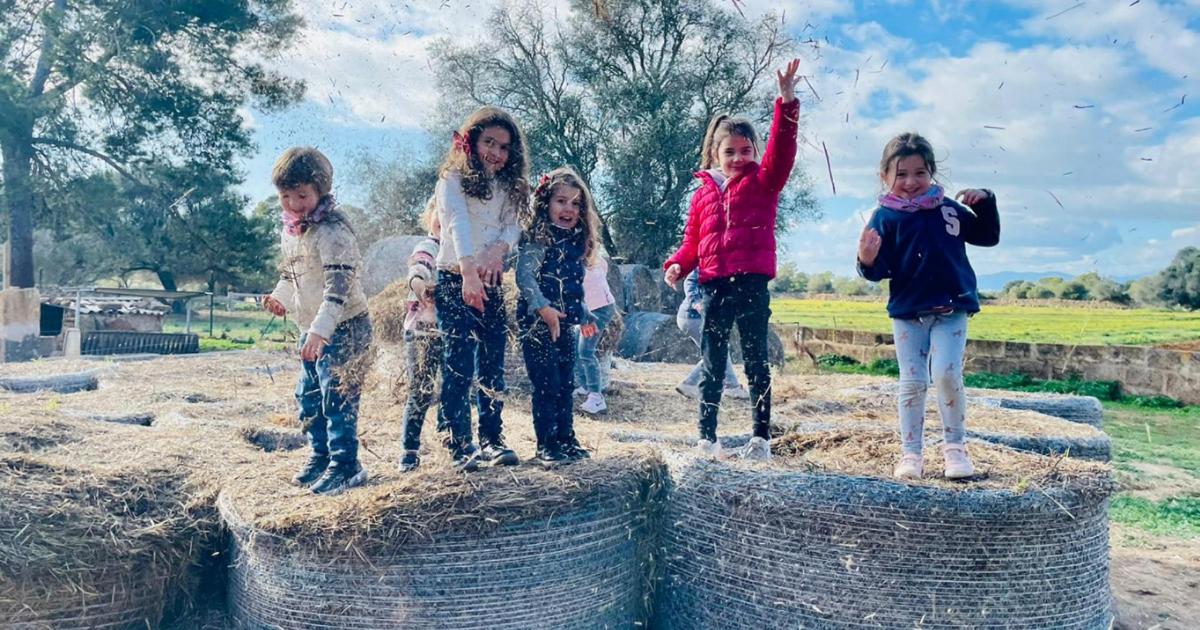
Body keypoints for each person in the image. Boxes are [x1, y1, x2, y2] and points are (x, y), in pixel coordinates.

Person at [663, 59, 803, 462]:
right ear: (715, 153)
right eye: (730, 151)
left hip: (752, 282)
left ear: (756, 152)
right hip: (714, 284)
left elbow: (783, 150)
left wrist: (787, 102)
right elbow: (693, 240)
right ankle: (708, 438)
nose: (738, 157)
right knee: (713, 361)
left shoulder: (765, 181)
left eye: (746, 150)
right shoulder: (703, 193)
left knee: (757, 358)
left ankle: (761, 439)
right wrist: (678, 264)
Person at [856, 131, 1000, 480]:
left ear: (932, 172)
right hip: (908, 313)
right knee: (913, 381)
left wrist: (986, 202)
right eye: (901, 174)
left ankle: (955, 450)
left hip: (952, 309)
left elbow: (987, 236)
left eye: (920, 173)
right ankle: (911, 454)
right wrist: (866, 259)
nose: (910, 182)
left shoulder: (949, 209)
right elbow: (879, 270)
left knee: (947, 375)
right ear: (885, 176)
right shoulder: (884, 218)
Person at [263, 147, 373, 495]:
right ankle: (320, 454)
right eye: (285, 196)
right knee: (308, 395)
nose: (294, 204)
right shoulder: (293, 230)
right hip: (312, 328)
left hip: (343, 326)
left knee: (336, 397)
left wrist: (320, 332)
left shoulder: (333, 231)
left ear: (321, 191)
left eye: (302, 196)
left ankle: (346, 464)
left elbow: (337, 292)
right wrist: (280, 298)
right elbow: (292, 275)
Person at [434, 106, 528, 471]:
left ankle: (492, 438)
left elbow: (514, 225)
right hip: (456, 277)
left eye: (504, 147)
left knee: (492, 362)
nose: (496, 153)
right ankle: (458, 442)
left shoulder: (508, 187)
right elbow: (456, 222)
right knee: (458, 362)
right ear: (471, 141)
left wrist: (498, 250)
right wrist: (469, 270)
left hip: (492, 279)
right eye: (489, 142)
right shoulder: (451, 179)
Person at [517, 167, 602, 465]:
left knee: (566, 382)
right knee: (547, 383)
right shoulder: (538, 238)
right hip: (537, 323)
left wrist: (586, 314)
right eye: (561, 201)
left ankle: (567, 438)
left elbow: (573, 288)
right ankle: (547, 443)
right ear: (545, 204)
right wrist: (544, 309)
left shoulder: (577, 242)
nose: (568, 208)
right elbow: (525, 278)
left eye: (576, 203)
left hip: (563, 323)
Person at [398, 197, 444, 473]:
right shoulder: (429, 246)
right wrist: (420, 286)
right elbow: (419, 267)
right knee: (421, 389)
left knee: (452, 387)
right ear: (429, 217)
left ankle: (450, 440)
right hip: (423, 332)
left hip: (449, 331)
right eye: (441, 213)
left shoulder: (461, 251)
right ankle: (409, 449)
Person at [674, 268, 748, 401]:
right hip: (693, 317)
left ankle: (731, 386)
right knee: (716, 350)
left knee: (719, 349)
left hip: (697, 317)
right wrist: (696, 302)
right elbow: (690, 281)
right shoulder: (708, 261)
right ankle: (691, 384)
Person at [573, 251, 617, 415]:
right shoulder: (594, 258)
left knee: (586, 352)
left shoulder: (577, 263)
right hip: (593, 306)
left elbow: (575, 295)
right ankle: (586, 386)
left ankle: (596, 398)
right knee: (578, 348)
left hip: (599, 309)